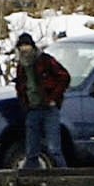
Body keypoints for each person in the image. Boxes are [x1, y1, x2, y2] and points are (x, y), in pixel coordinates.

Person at [14, 34, 70, 169]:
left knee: (54, 149)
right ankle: (31, 181)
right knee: (31, 151)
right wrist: (24, 104)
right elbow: (20, 87)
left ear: (32, 46)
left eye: (26, 45)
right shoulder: (21, 66)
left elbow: (64, 77)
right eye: (21, 46)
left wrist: (53, 98)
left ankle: (65, 178)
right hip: (32, 110)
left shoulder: (45, 60)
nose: (24, 49)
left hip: (49, 109)